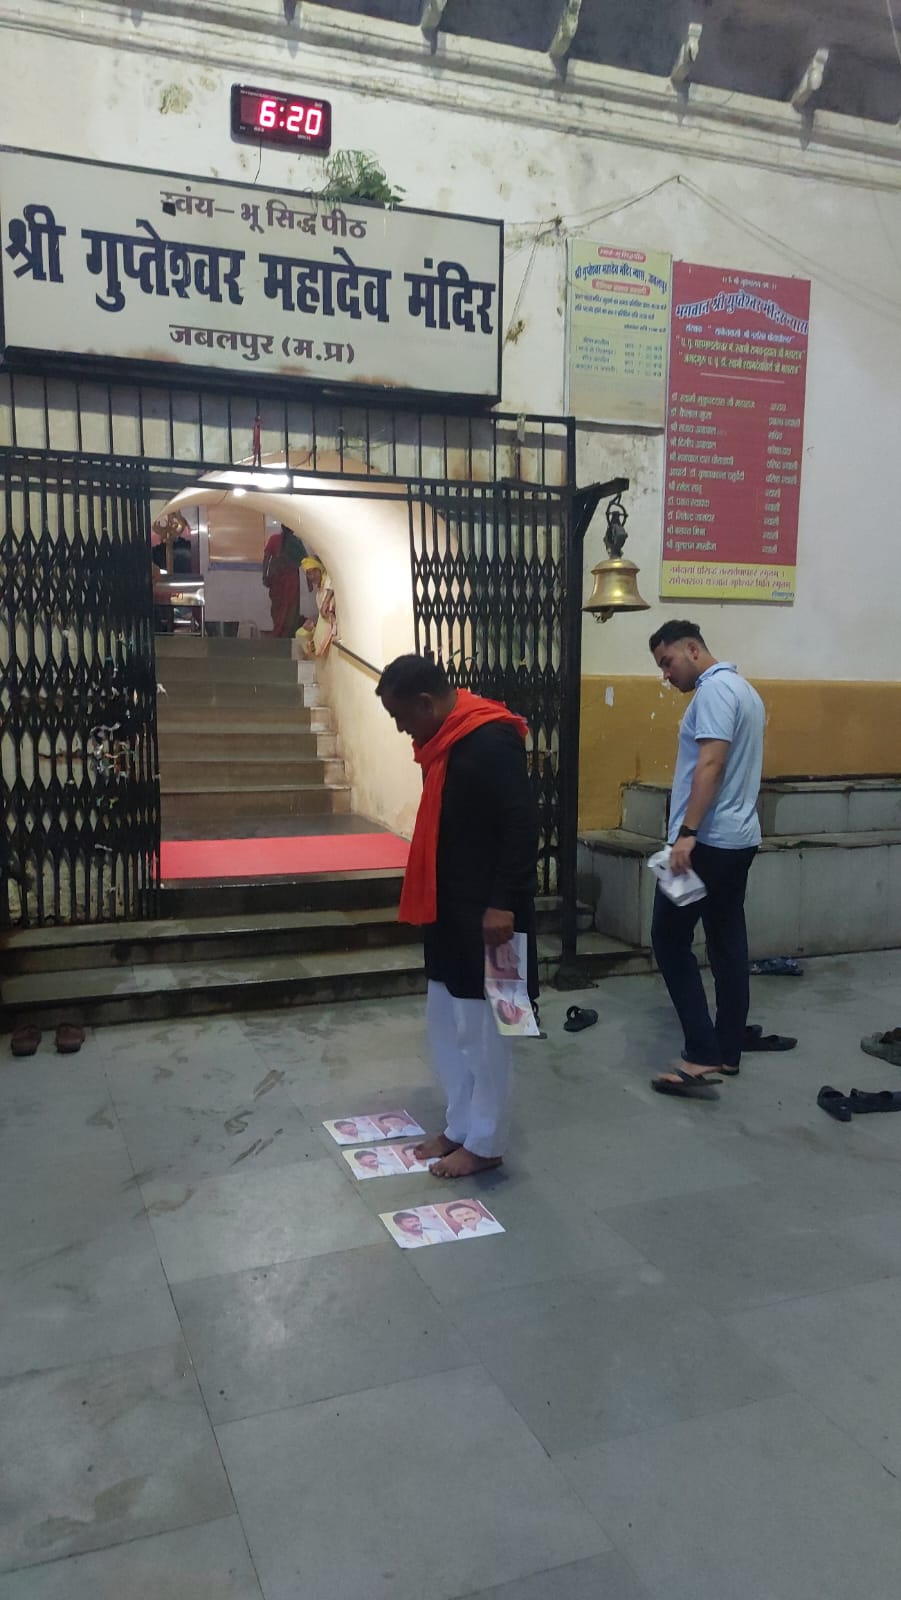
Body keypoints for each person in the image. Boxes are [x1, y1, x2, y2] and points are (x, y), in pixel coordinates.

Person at [376, 654, 539, 1179]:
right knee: (447, 1022)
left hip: (493, 913)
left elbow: (521, 825)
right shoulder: (446, 743)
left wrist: (504, 902)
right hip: (447, 906)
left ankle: (487, 1141)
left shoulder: (490, 739)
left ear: (426, 702)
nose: (403, 730)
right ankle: (460, 1124)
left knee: (489, 1032)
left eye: (403, 717)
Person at [647, 620, 765, 1095]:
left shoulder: (715, 692)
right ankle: (728, 1049)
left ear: (693, 648)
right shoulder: (745, 690)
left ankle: (701, 1054)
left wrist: (687, 834)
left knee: (670, 940)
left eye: (667, 662)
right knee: (726, 938)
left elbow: (711, 764)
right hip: (739, 839)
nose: (666, 675)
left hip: (709, 841)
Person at [262, 523, 306, 637]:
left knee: (288, 610)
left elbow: (305, 562)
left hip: (289, 582)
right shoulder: (276, 539)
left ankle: (283, 635)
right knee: (280, 609)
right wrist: (265, 576)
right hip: (278, 580)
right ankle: (280, 634)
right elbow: (266, 558)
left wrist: (265, 576)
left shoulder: (296, 542)